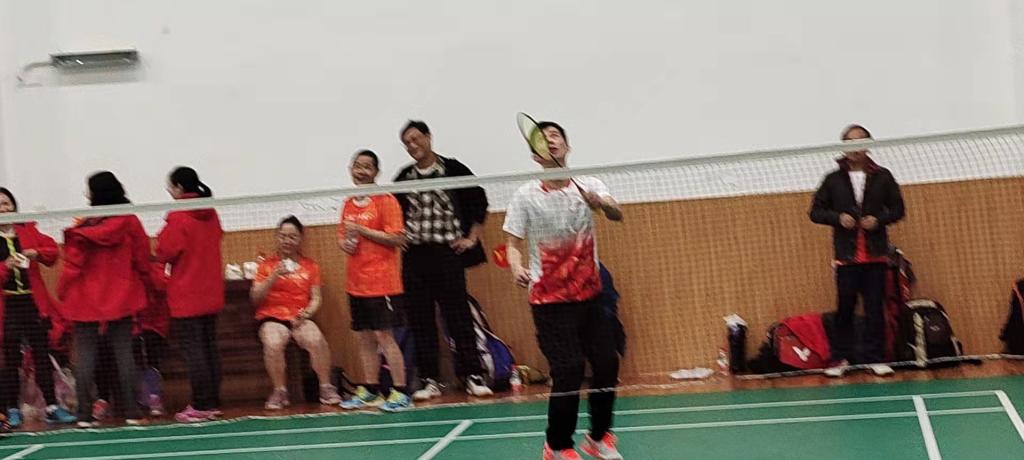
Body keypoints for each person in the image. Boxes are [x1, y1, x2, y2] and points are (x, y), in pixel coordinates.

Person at [502, 121, 625, 460]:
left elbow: (616, 213)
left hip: (591, 295)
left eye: (555, 136)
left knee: (606, 364)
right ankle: (557, 445)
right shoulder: (525, 196)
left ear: (567, 146)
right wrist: (516, 267)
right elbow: (512, 243)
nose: (551, 141)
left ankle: (598, 437)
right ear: (535, 155)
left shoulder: (590, 185)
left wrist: (599, 202)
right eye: (542, 139)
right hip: (550, 301)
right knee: (568, 369)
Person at [393, 120, 493, 400]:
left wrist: (471, 238)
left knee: (458, 316)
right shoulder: (403, 178)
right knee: (420, 319)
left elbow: (479, 202)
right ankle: (429, 380)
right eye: (407, 143)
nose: (412, 145)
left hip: (448, 254)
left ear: (428, 137)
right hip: (415, 256)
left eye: (416, 139)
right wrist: (397, 237)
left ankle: (472, 375)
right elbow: (392, 213)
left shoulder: (453, 169)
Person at [58, 172, 153, 427]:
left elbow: (73, 263)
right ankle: (132, 411)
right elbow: (142, 257)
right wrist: (148, 282)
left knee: (85, 355)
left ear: (95, 193)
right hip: (122, 294)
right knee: (124, 353)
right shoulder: (130, 221)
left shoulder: (83, 228)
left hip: (85, 298)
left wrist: (62, 289)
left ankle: (84, 414)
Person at [810, 124, 905, 378]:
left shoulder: (883, 177)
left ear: (868, 145)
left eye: (860, 142)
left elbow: (898, 209)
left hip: (876, 256)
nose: (855, 148)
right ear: (844, 147)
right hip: (846, 258)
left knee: (875, 308)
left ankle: (876, 358)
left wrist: (879, 220)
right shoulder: (833, 179)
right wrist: (838, 218)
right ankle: (841, 358)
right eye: (850, 142)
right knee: (845, 309)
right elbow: (815, 212)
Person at [338, 151, 413, 412]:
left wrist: (362, 230)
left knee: (385, 336)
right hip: (355, 283)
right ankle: (370, 389)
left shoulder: (386, 200)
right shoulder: (348, 203)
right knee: (364, 338)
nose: (361, 171)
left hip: (382, 282)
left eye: (367, 167)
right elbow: (343, 239)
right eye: (357, 166)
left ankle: (400, 391)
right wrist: (346, 243)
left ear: (376, 172)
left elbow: (397, 238)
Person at [0, 187, 77, 427]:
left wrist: (36, 253)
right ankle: (12, 409)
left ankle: (53, 406)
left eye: (7, 203)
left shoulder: (28, 230)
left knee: (42, 355)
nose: (4, 209)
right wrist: (5, 267)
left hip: (33, 303)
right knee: (11, 359)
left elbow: (52, 253)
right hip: (8, 306)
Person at [155, 167, 225, 422]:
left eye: (170, 186)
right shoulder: (211, 212)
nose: (168, 190)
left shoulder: (179, 216)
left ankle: (201, 404)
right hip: (211, 291)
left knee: (194, 351)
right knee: (209, 347)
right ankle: (212, 402)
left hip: (187, 294)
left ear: (179, 187)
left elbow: (165, 251)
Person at [250, 216, 342, 410]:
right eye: (283, 236)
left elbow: (316, 298)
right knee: (273, 343)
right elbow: (255, 298)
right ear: (277, 237)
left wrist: (306, 314)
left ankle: (326, 387)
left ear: (300, 238)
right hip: (272, 317)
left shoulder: (311, 266)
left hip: (299, 316)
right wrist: (274, 276)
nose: (287, 241)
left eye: (292, 237)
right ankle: (279, 391)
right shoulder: (266, 265)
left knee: (316, 339)